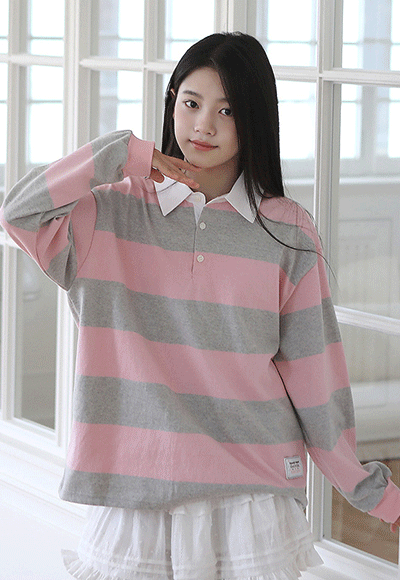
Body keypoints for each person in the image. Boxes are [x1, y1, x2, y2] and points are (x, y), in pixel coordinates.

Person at [1, 32, 399, 580]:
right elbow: (18, 213)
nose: (203, 125)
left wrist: (374, 494)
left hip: (250, 496)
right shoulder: (110, 214)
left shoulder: (286, 231)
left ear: (254, 119)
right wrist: (124, 154)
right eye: (190, 103)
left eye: (226, 110)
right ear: (172, 104)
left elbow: (316, 379)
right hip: (136, 489)